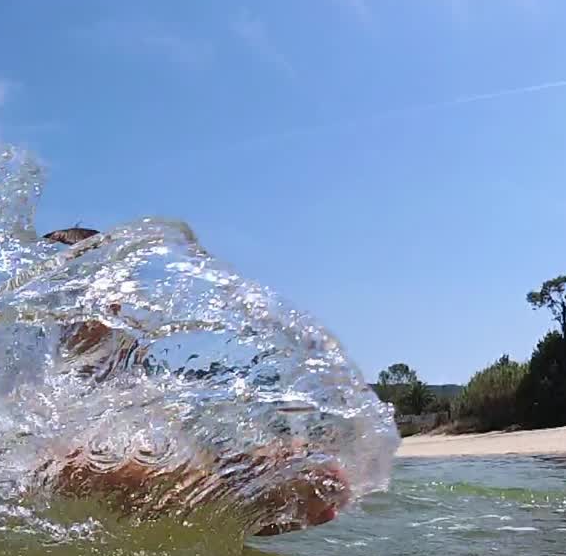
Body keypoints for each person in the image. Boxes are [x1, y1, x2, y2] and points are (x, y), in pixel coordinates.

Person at [35, 227, 350, 536]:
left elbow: (192, 461)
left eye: (115, 294)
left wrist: (263, 466)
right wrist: (239, 489)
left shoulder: (144, 394)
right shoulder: (33, 393)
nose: (115, 312)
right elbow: (53, 468)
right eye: (80, 293)